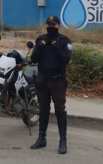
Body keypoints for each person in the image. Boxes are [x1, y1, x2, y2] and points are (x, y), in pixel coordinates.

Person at [30, 15, 72, 155]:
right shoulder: (41, 39)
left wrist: (56, 46)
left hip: (57, 81)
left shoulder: (64, 41)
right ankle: (42, 139)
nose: (50, 27)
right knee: (43, 109)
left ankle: (63, 141)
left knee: (60, 109)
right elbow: (33, 58)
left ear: (58, 26)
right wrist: (40, 46)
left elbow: (65, 60)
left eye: (53, 25)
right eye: (48, 25)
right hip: (42, 80)